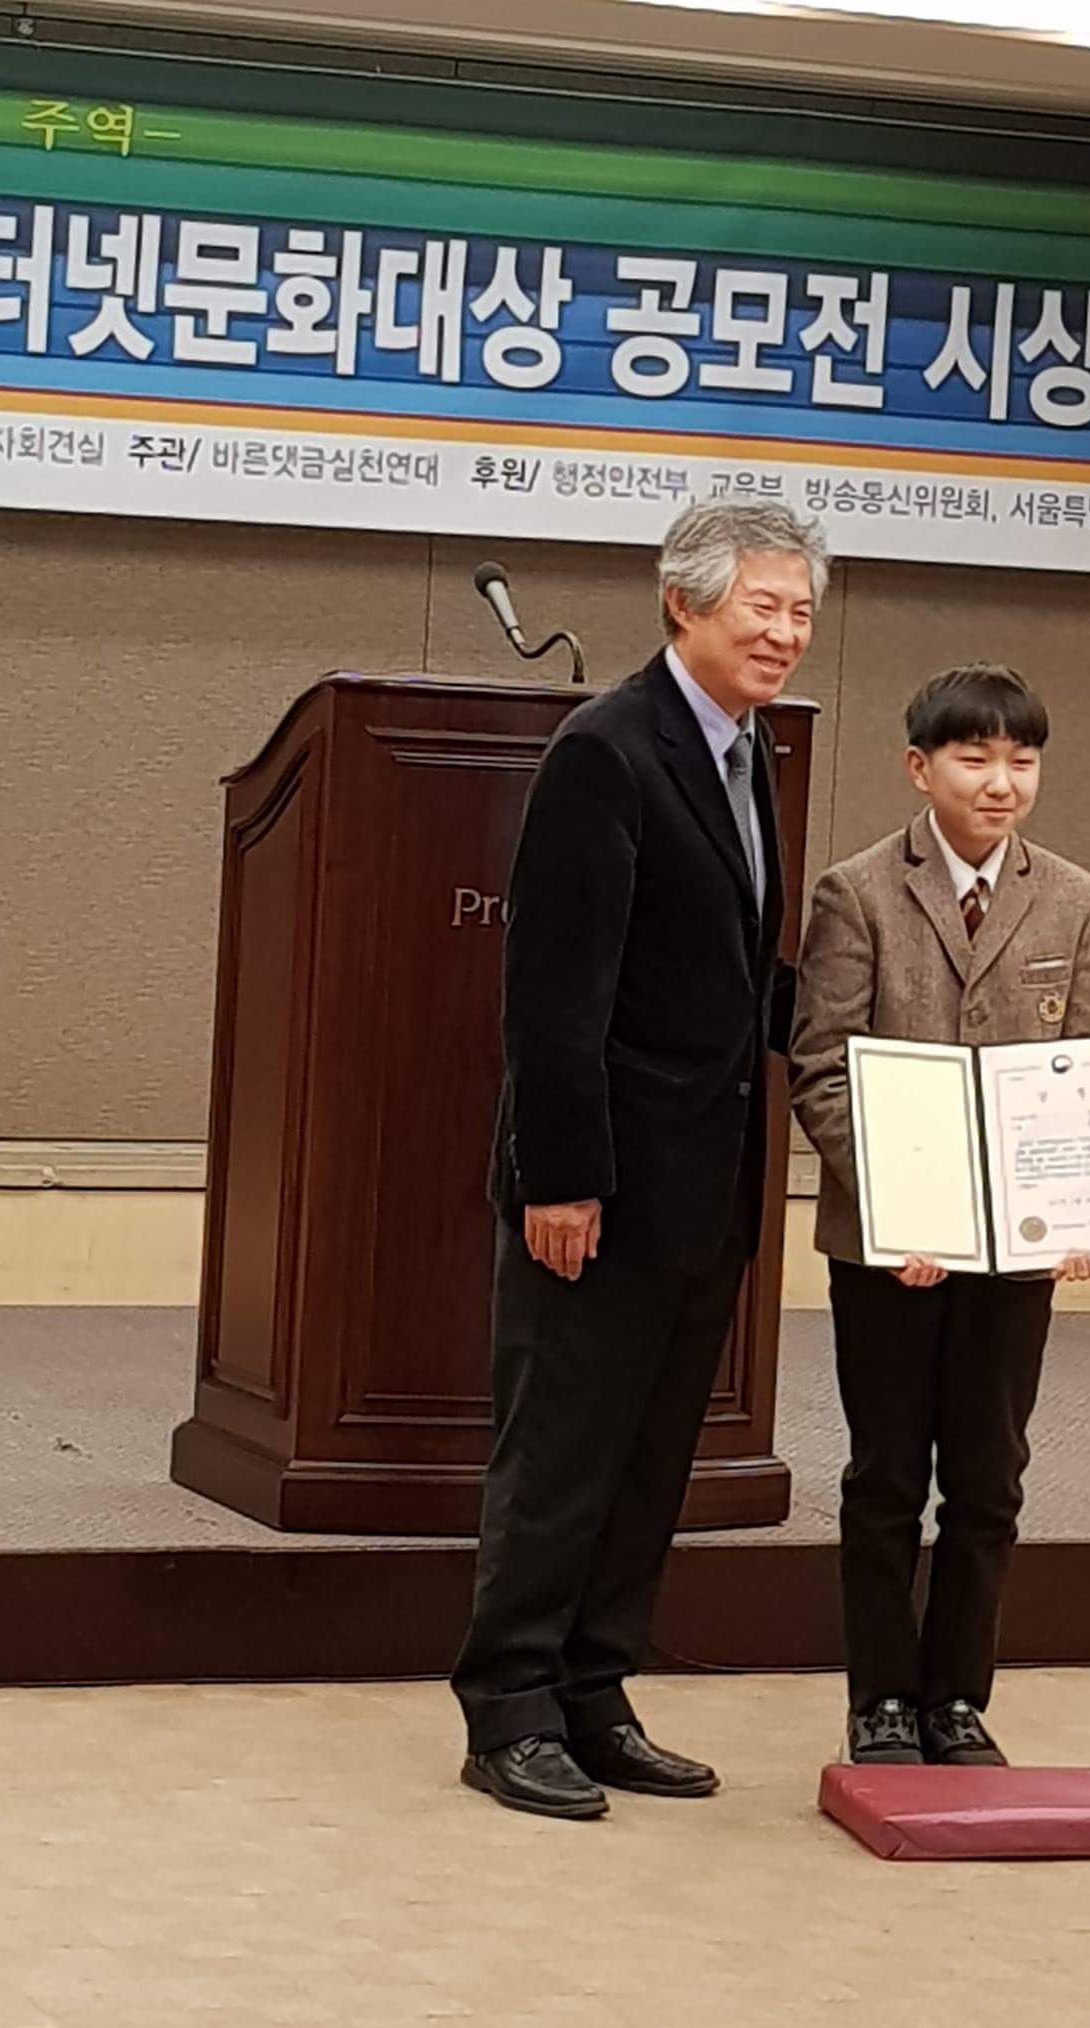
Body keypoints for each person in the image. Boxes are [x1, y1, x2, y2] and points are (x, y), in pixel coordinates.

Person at [454, 497, 829, 1819]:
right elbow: (555, 997)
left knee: (648, 1457)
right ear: (684, 602)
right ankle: (510, 1707)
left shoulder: (749, 751)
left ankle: (595, 1691)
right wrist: (561, 1178)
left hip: (702, 1183)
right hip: (598, 1188)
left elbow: (724, 973)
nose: (785, 633)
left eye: (801, 612)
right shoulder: (607, 749)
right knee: (562, 1453)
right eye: (762, 607)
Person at [789, 663, 1090, 1769]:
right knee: (886, 1474)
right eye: (975, 758)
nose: (1001, 781)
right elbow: (821, 1068)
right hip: (889, 1245)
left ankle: (959, 1700)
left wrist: (1082, 1205)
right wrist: (896, 1209)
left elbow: (1081, 1076)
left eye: (1022, 759)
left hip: (1013, 1252)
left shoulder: (1076, 898)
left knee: (988, 1477)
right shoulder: (858, 891)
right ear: (920, 768)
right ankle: (881, 1696)